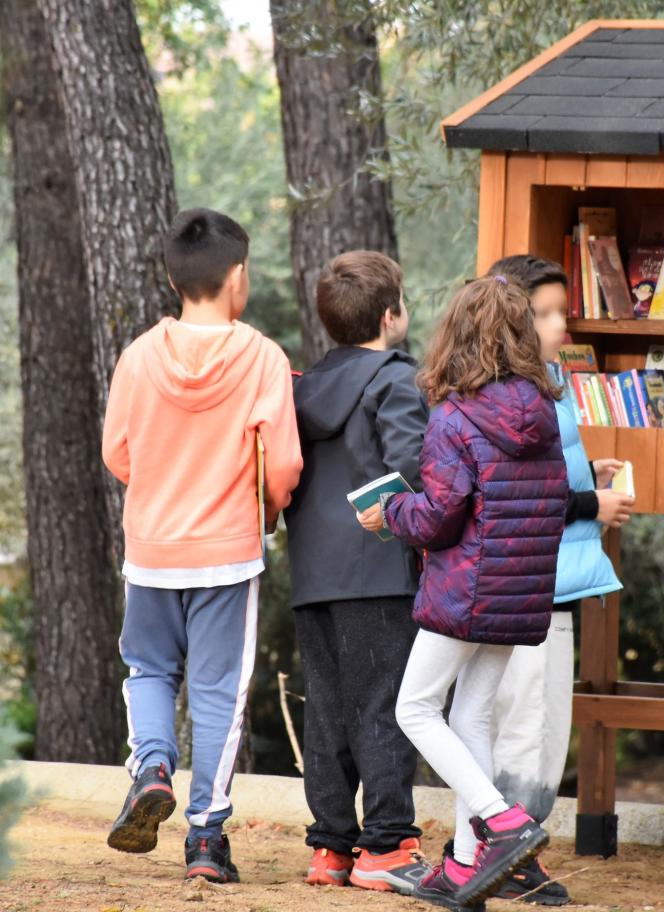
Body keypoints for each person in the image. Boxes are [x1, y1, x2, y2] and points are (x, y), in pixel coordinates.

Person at [102, 208, 303, 883]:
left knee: (149, 669)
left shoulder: (137, 357)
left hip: (153, 547)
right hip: (227, 550)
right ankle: (206, 841)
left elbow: (117, 453)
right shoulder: (264, 359)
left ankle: (152, 765)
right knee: (218, 692)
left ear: (171, 276)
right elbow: (283, 466)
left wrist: (163, 488)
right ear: (238, 276)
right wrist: (267, 510)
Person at [357, 275, 569, 911]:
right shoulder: (543, 410)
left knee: (414, 709)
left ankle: (503, 824)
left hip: (465, 588)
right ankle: (464, 865)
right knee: (469, 716)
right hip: (520, 590)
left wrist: (391, 512)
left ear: (457, 335)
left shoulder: (454, 415)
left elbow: (440, 518)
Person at [283, 251, 431, 893]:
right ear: (392, 314)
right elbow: (414, 467)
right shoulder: (398, 379)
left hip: (313, 574)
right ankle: (389, 843)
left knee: (329, 711)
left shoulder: (300, 385)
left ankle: (331, 848)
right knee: (385, 705)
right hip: (379, 569)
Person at [487, 255, 633, 905]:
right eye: (545, 314)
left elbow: (550, 476)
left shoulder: (547, 382)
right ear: (512, 317)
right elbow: (519, 494)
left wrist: (587, 475)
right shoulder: (503, 389)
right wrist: (590, 504)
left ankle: (515, 847)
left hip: (559, 574)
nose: (560, 327)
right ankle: (503, 852)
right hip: (523, 578)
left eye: (561, 313)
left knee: (550, 726)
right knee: (522, 724)